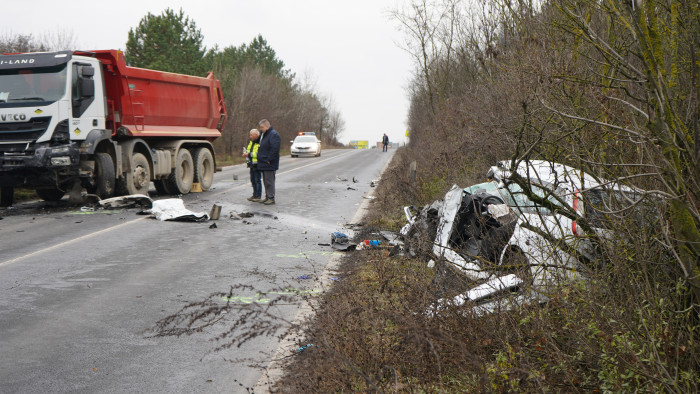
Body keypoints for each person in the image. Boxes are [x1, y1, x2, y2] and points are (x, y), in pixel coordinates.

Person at [256, 119, 280, 205]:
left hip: (269, 162)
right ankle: (267, 196)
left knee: (270, 181)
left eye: (262, 127)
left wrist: (270, 159)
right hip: (263, 161)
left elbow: (275, 148)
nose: (261, 129)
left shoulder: (273, 135)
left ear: (267, 126)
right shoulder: (264, 134)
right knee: (265, 181)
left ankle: (271, 197)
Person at [242, 128, 262, 202]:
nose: (250, 136)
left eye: (251, 135)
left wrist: (249, 154)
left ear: (256, 135)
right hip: (251, 164)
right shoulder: (251, 142)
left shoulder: (260, 142)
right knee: (253, 180)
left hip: (257, 164)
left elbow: (259, 154)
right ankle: (254, 194)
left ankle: (258, 196)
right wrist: (245, 154)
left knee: (257, 180)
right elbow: (249, 150)